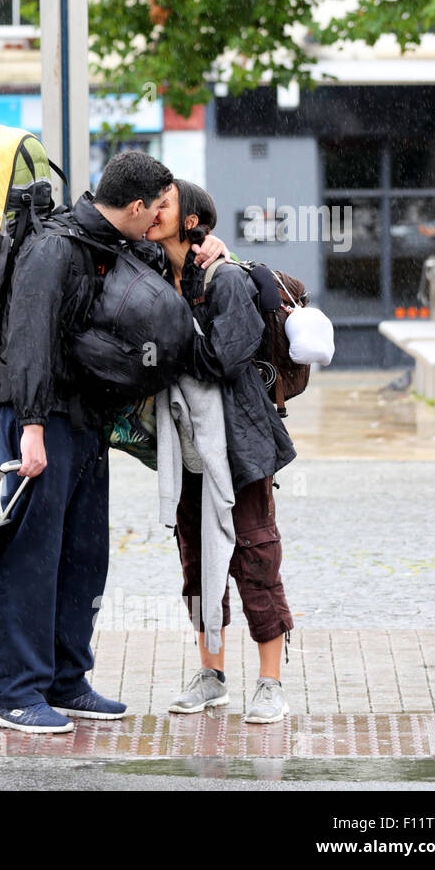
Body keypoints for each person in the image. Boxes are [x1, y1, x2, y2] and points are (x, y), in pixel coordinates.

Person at [0, 152, 227, 734]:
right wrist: (32, 430)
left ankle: (66, 679)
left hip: (85, 420)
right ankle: (13, 694)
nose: (161, 218)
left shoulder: (116, 245)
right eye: (158, 208)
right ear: (135, 207)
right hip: (40, 418)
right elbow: (28, 340)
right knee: (32, 554)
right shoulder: (54, 249)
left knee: (85, 554)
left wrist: (212, 246)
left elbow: (168, 269)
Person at [144, 179, 297, 724]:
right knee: (197, 560)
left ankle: (271, 682)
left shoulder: (225, 277)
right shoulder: (154, 274)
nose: (153, 211)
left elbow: (226, 358)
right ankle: (211, 675)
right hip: (187, 449)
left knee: (255, 557)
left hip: (240, 443)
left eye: (165, 204)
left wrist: (170, 349)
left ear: (191, 221)